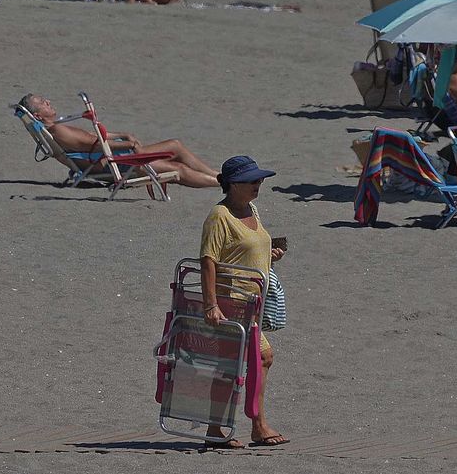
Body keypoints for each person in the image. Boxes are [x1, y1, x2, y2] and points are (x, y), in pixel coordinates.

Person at [199, 154, 287, 448]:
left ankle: (220, 429)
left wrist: (270, 256)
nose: (258, 184)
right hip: (231, 302)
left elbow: (246, 250)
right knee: (248, 360)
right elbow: (208, 261)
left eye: (259, 179)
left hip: (252, 305)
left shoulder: (252, 210)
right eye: (251, 180)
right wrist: (210, 305)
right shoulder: (219, 216)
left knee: (242, 362)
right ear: (234, 184)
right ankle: (252, 426)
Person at [19, 93, 220, 188]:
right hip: (113, 163)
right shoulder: (59, 131)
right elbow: (96, 145)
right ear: (37, 115)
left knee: (175, 148)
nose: (48, 101)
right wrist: (128, 144)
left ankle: (218, 175)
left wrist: (122, 135)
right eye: (43, 103)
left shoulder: (56, 129)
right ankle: (222, 182)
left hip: (107, 159)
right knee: (177, 168)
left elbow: (93, 139)